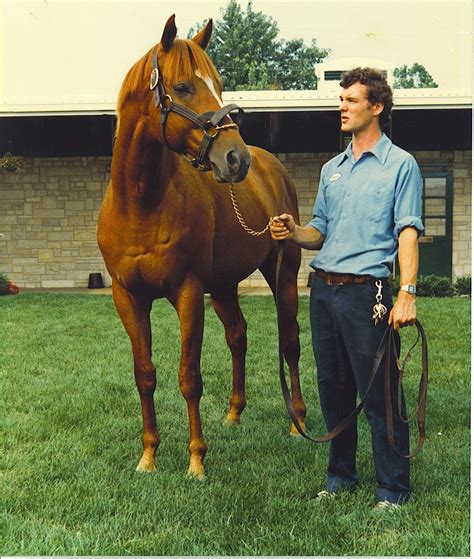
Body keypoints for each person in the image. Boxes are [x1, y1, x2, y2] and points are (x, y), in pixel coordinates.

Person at [270, 67, 424, 512]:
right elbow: (319, 230)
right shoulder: (331, 170)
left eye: (352, 100)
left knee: (381, 395)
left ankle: (392, 489)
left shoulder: (401, 165)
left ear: (376, 107)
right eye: (341, 100)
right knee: (333, 390)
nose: (342, 107)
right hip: (324, 291)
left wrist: (407, 292)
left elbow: (408, 232)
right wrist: (292, 230)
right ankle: (341, 477)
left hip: (367, 295)